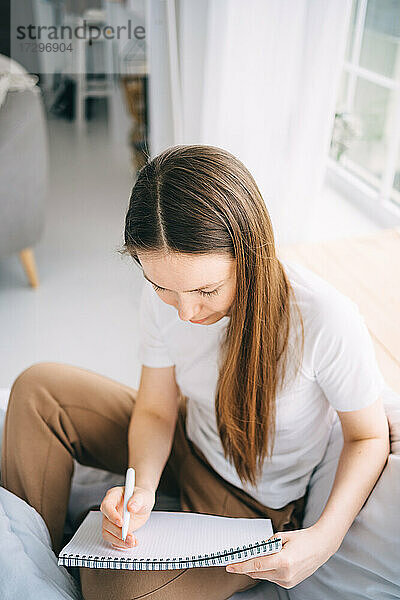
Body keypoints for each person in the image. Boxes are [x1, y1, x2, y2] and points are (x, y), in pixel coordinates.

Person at [1, 145, 390, 600]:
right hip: (188, 442)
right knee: (36, 389)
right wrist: (140, 487)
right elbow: (155, 410)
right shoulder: (167, 297)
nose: (185, 311)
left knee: (112, 583)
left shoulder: (324, 319)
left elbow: (368, 437)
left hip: (248, 506)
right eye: (162, 287)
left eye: (206, 290)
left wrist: (324, 539)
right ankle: (32, 567)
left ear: (250, 255)